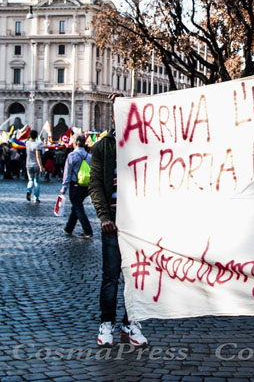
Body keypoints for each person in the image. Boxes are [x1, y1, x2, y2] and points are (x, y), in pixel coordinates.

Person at [89, 93, 148, 348]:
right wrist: (103, 217)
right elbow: (96, 184)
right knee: (111, 277)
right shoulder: (102, 147)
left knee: (137, 278)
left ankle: (130, 322)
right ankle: (107, 323)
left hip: (138, 223)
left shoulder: (144, 144)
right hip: (113, 223)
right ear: (113, 116)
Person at [60, 135, 93, 239]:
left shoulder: (72, 155)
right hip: (85, 185)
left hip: (75, 185)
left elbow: (67, 173)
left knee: (78, 208)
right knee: (76, 206)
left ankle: (88, 230)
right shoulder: (89, 156)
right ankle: (68, 228)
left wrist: (64, 187)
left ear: (75, 143)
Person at [25, 130, 43, 204]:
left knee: (30, 180)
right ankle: (36, 198)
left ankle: (28, 190)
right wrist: (41, 166)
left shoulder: (27, 143)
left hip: (28, 164)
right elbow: (38, 156)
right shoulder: (38, 144)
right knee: (37, 181)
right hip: (36, 165)